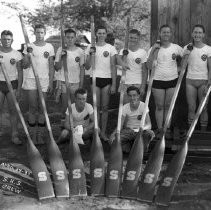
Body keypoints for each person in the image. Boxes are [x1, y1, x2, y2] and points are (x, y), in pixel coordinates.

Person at [147, 24, 183, 139]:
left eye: (168, 32)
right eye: (164, 32)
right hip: (157, 80)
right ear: (160, 34)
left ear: (171, 34)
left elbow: (186, 58)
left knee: (168, 105)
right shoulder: (155, 48)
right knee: (159, 106)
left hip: (172, 80)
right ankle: (159, 128)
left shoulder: (176, 48)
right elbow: (148, 65)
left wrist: (179, 68)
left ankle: (166, 129)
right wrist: (154, 50)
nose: (166, 34)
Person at [22, 24, 55, 145]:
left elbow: (51, 66)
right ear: (34, 33)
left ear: (44, 33)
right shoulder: (28, 46)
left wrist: (51, 82)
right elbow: (24, 65)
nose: (40, 34)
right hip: (31, 79)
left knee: (42, 108)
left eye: (42, 32)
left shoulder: (49, 46)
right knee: (32, 107)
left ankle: (40, 135)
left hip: (44, 80)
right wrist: (28, 54)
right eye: (37, 32)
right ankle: (32, 135)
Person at [85, 25, 117, 141]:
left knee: (105, 107)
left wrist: (114, 84)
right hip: (95, 78)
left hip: (107, 79)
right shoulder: (90, 47)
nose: (101, 35)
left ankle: (103, 132)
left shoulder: (110, 48)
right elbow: (87, 66)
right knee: (96, 107)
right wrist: (90, 53)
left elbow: (113, 66)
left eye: (103, 33)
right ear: (96, 34)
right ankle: (96, 130)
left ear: (106, 34)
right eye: (99, 33)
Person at [109, 86, 154, 153]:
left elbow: (149, 125)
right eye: (130, 96)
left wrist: (140, 129)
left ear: (138, 96)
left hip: (141, 131)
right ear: (127, 96)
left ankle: (141, 151)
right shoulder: (125, 107)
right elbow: (120, 125)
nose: (132, 98)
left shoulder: (143, 106)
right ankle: (133, 148)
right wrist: (113, 134)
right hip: (129, 131)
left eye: (134, 95)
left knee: (149, 133)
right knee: (114, 142)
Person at [185, 24, 211, 131]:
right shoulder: (187, 47)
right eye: (195, 32)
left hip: (203, 82)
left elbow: (210, 67)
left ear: (203, 35)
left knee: (203, 108)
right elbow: (183, 66)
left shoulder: (208, 49)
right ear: (192, 34)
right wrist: (186, 54)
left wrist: (209, 83)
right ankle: (191, 133)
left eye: (200, 32)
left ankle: (203, 133)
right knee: (191, 108)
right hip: (190, 81)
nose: (197, 34)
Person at [54, 28, 85, 117]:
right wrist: (61, 57)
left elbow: (82, 69)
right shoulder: (61, 49)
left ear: (75, 38)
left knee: (76, 106)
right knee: (65, 107)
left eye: (72, 37)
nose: (70, 39)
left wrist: (81, 85)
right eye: (68, 37)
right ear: (65, 38)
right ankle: (65, 126)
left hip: (75, 82)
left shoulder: (80, 51)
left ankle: (75, 126)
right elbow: (57, 67)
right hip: (63, 82)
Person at [0, 30, 23, 144]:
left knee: (13, 110)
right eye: (4, 39)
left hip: (12, 84)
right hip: (0, 83)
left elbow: (20, 72)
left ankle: (14, 135)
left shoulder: (17, 54)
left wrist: (19, 89)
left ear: (12, 40)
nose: (6, 41)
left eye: (8, 39)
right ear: (0, 40)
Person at [119, 29, 148, 104]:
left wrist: (143, 87)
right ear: (128, 38)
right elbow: (117, 62)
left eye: (135, 38)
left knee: (137, 108)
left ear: (138, 39)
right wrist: (123, 58)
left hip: (138, 83)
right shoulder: (123, 51)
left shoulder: (143, 52)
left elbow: (145, 71)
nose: (133, 40)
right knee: (125, 107)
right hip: (125, 83)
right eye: (131, 38)